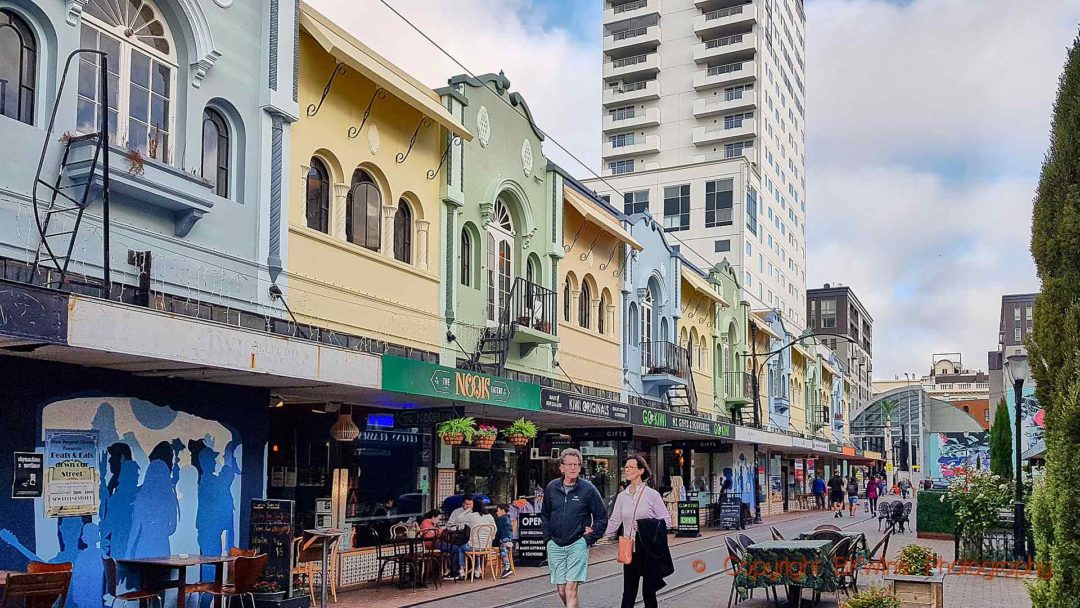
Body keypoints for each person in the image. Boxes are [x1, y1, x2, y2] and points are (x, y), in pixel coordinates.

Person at [541, 448, 608, 608]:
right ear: (562, 467)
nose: (573, 468)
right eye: (570, 464)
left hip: (577, 544)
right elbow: (545, 514)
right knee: (562, 590)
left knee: (571, 589)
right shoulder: (552, 488)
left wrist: (587, 540)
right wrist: (548, 538)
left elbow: (602, 518)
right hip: (555, 544)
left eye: (576, 465)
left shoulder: (588, 489)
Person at [602, 456, 672, 608]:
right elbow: (614, 523)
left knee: (649, 593)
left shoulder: (652, 495)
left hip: (647, 550)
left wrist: (643, 525)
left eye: (631, 467)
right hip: (629, 550)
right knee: (628, 593)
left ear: (641, 471)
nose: (627, 470)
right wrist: (595, 533)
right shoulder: (621, 497)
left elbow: (667, 521)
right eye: (626, 467)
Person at [440, 494, 475, 580]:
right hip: (457, 536)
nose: (468, 506)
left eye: (470, 504)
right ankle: (459, 570)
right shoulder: (456, 512)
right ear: (462, 503)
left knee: (462, 547)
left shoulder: (475, 513)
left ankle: (469, 569)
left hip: (471, 538)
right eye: (466, 504)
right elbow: (449, 525)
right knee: (457, 547)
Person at [495, 503, 515, 579]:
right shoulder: (507, 518)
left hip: (503, 538)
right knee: (504, 550)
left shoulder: (501, 519)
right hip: (509, 538)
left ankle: (507, 567)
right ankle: (507, 567)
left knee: (503, 550)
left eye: (497, 510)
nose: (496, 512)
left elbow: (498, 531)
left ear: (502, 511)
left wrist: (494, 541)